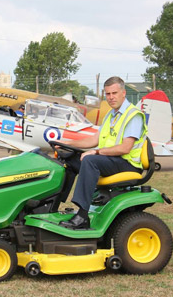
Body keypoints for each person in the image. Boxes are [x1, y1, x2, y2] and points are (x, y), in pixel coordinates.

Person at [57, 76, 148, 229]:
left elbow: (125, 148)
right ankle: (53, 205)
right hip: (111, 160)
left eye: (114, 93)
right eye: (108, 94)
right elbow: (94, 139)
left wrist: (96, 152)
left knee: (90, 161)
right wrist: (68, 144)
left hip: (127, 163)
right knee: (69, 158)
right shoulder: (110, 115)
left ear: (123, 93)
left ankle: (82, 216)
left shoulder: (133, 116)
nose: (111, 97)